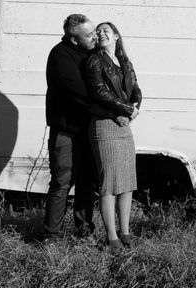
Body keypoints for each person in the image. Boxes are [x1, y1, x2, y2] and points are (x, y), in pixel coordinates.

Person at [44, 14, 116, 240]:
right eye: (89, 34)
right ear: (74, 39)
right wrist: (113, 111)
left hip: (89, 131)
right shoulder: (61, 55)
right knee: (62, 183)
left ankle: (84, 232)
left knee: (87, 183)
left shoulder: (93, 53)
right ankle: (52, 235)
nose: (96, 36)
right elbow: (81, 93)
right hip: (66, 131)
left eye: (95, 31)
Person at [84, 22, 141, 252]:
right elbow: (99, 92)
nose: (100, 33)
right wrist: (126, 110)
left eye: (105, 30)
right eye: (98, 32)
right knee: (109, 183)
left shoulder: (124, 61)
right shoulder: (95, 60)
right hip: (104, 124)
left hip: (124, 125)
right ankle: (112, 236)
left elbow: (135, 89)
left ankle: (126, 232)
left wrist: (134, 107)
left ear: (116, 35)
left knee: (126, 182)